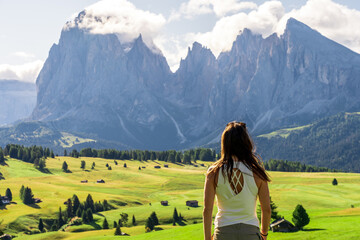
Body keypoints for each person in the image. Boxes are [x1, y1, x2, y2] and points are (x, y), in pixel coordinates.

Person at [203, 121, 271, 240]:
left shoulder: (214, 172)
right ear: (246, 143)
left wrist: (208, 239)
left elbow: (207, 211)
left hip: (223, 232)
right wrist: (264, 234)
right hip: (250, 232)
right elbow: (266, 210)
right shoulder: (257, 173)